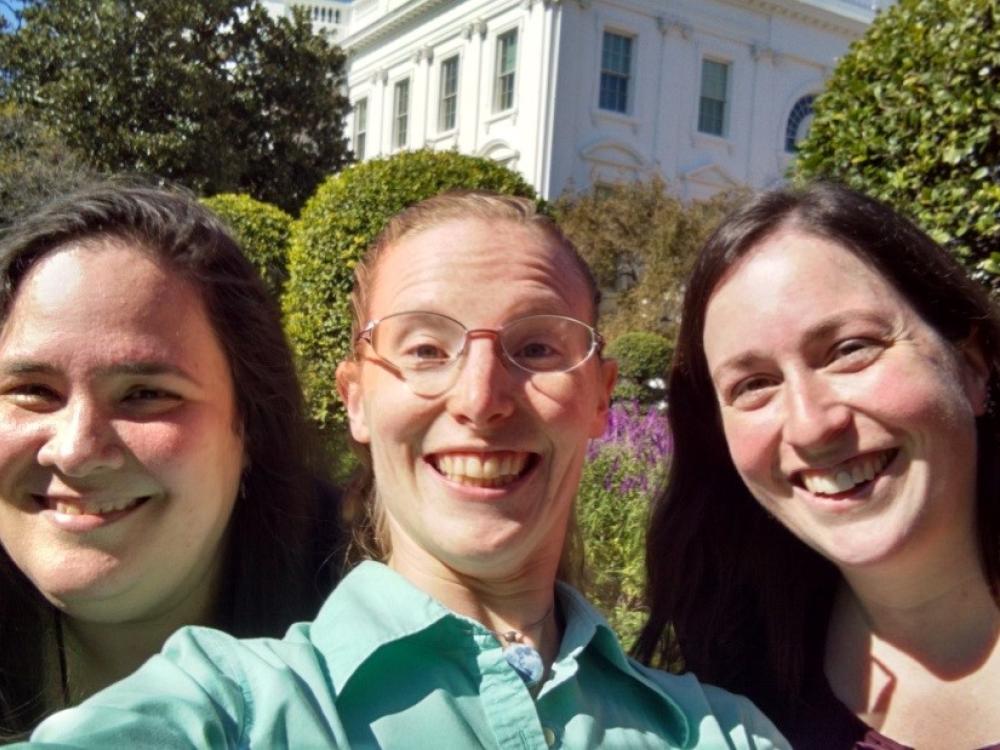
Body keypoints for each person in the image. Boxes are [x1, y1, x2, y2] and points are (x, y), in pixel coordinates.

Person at [23, 191, 788, 749]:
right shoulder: (234, 708)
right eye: (424, 349)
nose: (482, 397)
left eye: (538, 348)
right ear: (356, 400)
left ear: (598, 399)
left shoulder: (720, 735)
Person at [634, 182, 1000, 749]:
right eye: (754, 385)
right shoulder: (722, 703)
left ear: (972, 365)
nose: (811, 425)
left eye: (851, 349)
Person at [0, 182, 343, 739]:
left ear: (251, 425)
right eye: (33, 390)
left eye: (145, 394)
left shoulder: (381, 672)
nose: (76, 450)